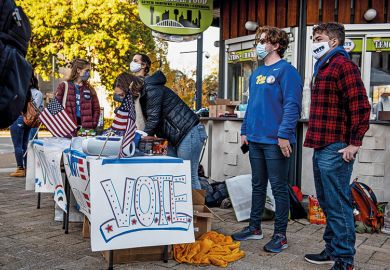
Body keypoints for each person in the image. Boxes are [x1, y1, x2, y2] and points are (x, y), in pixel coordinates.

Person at [303, 23, 370, 270]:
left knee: (338, 203)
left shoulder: (343, 65)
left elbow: (361, 106)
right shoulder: (324, 66)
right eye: (313, 37)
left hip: (337, 146)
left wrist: (354, 143)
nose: (314, 42)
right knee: (328, 202)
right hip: (321, 143)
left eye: (318, 37)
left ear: (333, 41)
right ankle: (332, 250)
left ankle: (344, 259)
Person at [231, 26, 303, 254]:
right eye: (258, 40)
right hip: (255, 138)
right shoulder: (256, 74)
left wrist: (284, 136)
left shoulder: (287, 71)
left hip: (276, 141)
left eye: (264, 41)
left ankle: (280, 236)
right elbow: (252, 106)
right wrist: (244, 130)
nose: (259, 45)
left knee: (279, 188)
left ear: (277, 45)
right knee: (257, 184)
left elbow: (292, 106)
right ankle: (254, 228)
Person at [139, 70, 207, 190]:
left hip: (188, 132)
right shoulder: (144, 94)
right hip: (175, 136)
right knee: (175, 174)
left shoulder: (152, 90)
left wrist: (141, 137)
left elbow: (153, 119)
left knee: (188, 176)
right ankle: (183, 207)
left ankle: (195, 208)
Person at [54, 58, 100, 135]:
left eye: (89, 71)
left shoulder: (90, 89)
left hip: (85, 130)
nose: (89, 73)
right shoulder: (64, 86)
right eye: (87, 70)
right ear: (78, 70)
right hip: (67, 129)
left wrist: (92, 124)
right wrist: (60, 125)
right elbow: (55, 107)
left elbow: (96, 109)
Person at [9, 74, 43, 177]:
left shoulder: (20, 92)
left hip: (19, 118)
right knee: (25, 145)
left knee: (18, 145)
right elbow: (36, 108)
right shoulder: (38, 93)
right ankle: (27, 168)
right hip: (30, 121)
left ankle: (20, 168)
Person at [28, 75, 44, 140]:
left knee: (31, 140)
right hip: (24, 119)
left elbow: (35, 107)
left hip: (33, 120)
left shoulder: (37, 93)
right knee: (28, 140)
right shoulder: (25, 92)